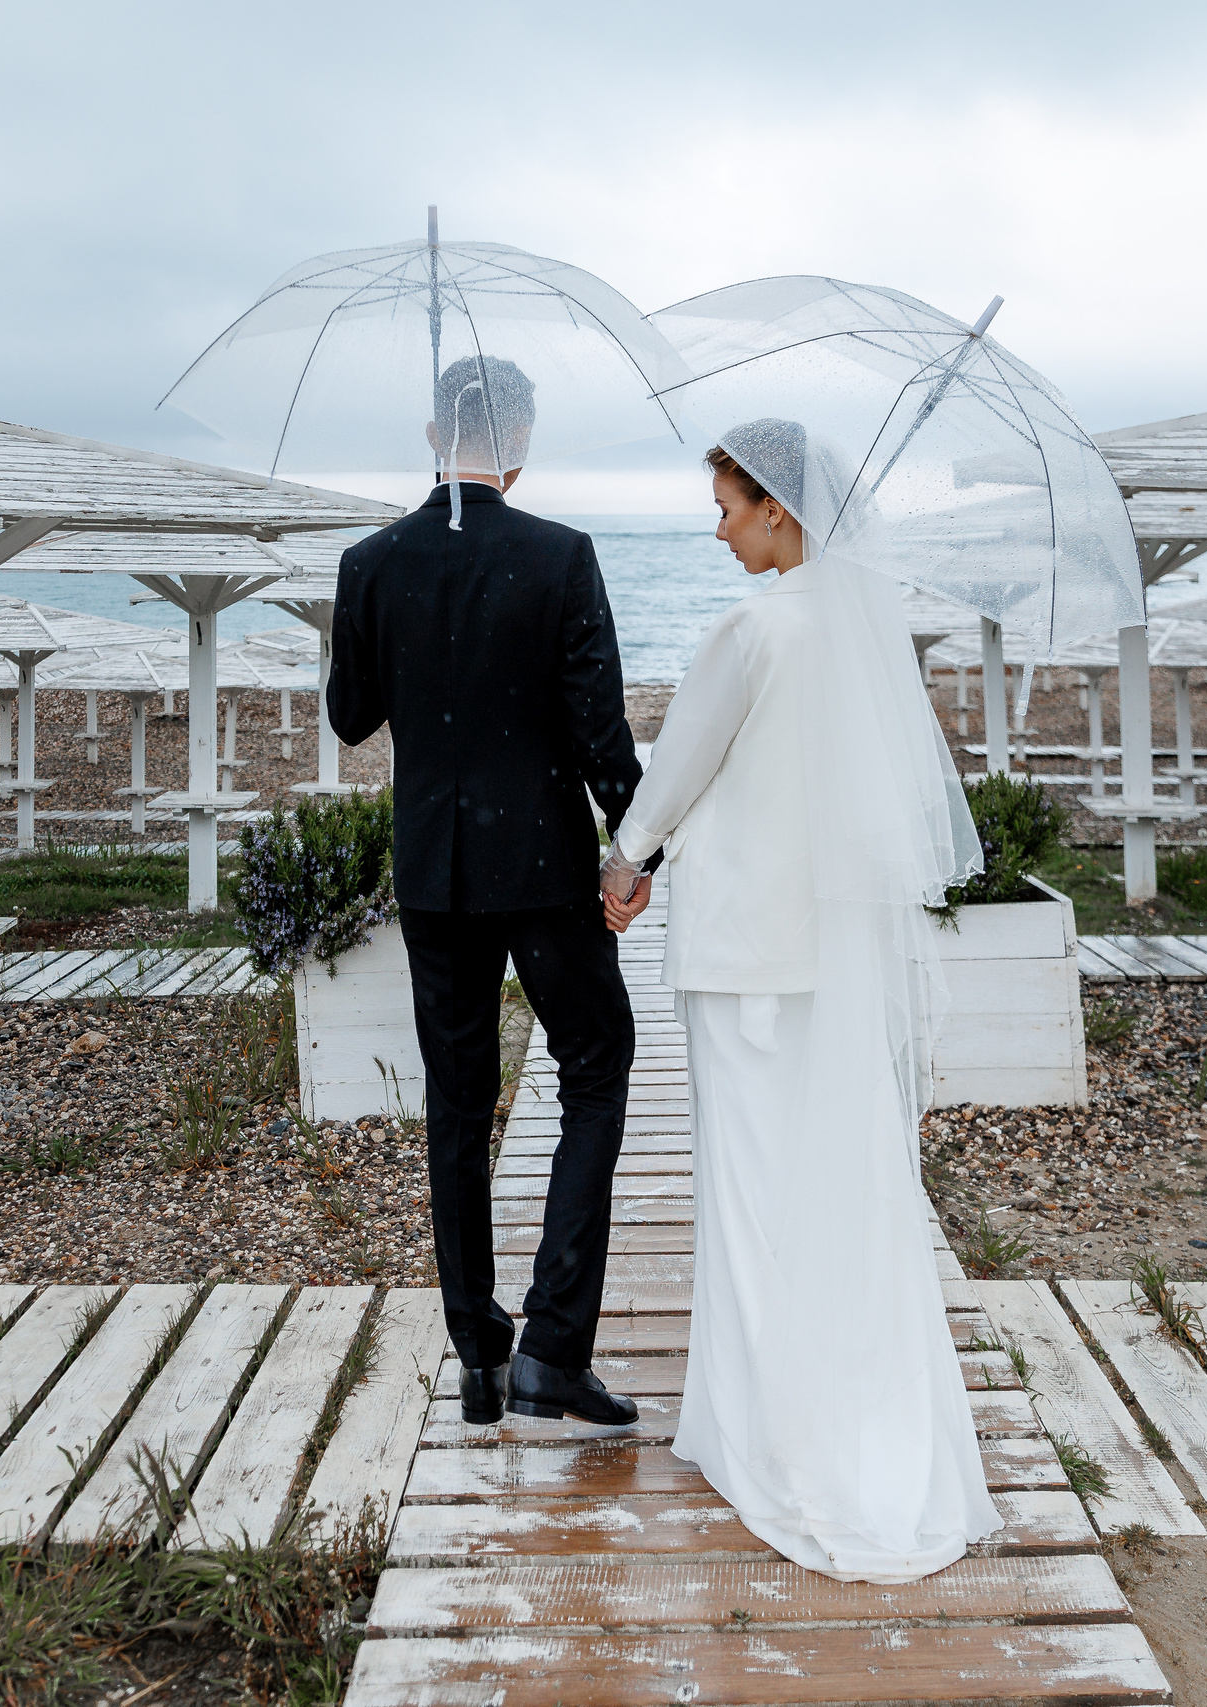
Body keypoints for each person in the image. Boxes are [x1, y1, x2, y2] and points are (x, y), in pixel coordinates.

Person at [597, 418, 998, 1582]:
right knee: (830, 1186)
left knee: (751, 1190)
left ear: (777, 508)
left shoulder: (756, 626)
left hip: (740, 954)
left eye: (726, 507)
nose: (715, 531)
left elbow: (676, 772)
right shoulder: (862, 632)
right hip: (830, 950)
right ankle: (850, 1411)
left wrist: (625, 863)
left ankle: (770, 1432)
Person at [326, 352, 649, 1428]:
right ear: (520, 443)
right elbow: (601, 734)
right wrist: (637, 851)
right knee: (596, 1064)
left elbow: (350, 717)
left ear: (431, 436)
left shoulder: (370, 562)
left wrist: (395, 619)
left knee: (456, 1106)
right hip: (547, 871)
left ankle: (478, 1353)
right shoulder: (562, 557)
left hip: (434, 873)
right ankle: (555, 1346)